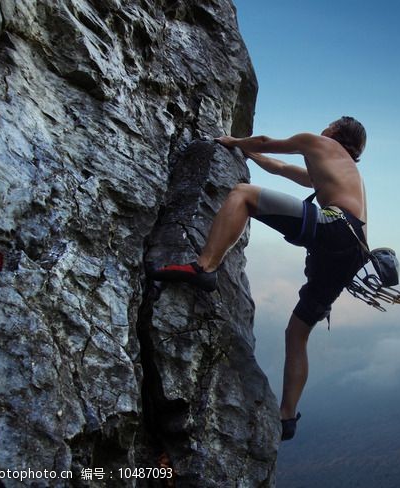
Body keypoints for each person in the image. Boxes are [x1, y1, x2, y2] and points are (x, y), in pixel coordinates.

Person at [150, 116, 368, 441]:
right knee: (297, 333)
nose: (325, 126)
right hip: (353, 250)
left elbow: (266, 141)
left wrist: (235, 142)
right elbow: (278, 167)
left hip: (335, 228)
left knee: (242, 194)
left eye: (331, 123)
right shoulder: (338, 169)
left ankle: (205, 267)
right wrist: (249, 155)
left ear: (336, 131)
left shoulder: (319, 143)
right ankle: (287, 417)